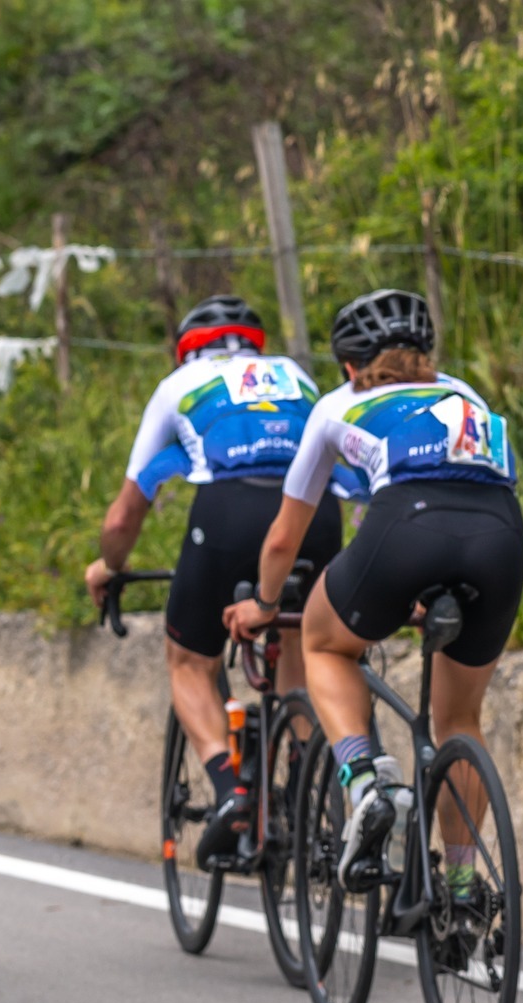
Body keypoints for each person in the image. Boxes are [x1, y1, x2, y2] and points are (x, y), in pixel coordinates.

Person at [225, 289, 523, 895]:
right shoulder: (466, 394)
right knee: (458, 719)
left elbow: (284, 538)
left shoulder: (338, 404)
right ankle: (461, 886)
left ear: (348, 365)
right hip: (501, 537)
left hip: (407, 526)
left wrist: (265, 602)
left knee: (323, 642)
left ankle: (365, 782)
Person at [86, 295, 340, 861]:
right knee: (295, 635)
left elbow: (125, 516)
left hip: (230, 513)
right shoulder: (294, 375)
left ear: (186, 351)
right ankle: (303, 773)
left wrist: (110, 565)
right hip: (315, 514)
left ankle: (231, 793)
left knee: (189, 661)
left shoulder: (179, 385)